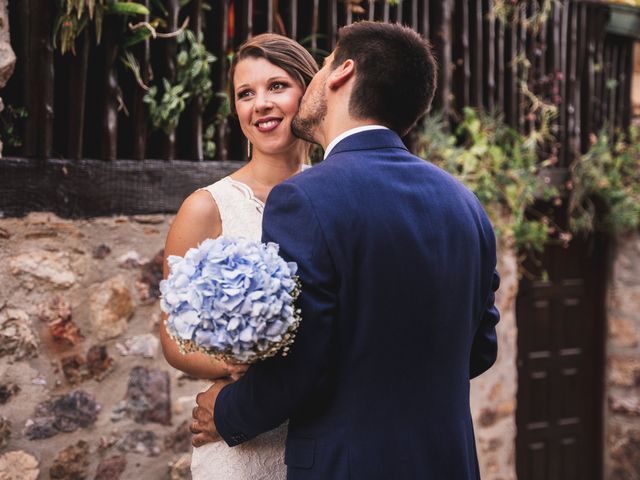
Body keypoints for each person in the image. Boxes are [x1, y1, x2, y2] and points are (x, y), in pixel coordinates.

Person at [191, 21, 501, 480]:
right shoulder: (464, 204)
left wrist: (224, 413)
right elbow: (480, 351)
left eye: (324, 64)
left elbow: (301, 365)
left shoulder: (305, 198)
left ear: (341, 73)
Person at [159, 33, 318, 480]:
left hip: (322, 432)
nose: (260, 104)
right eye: (246, 94)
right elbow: (173, 339)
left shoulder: (334, 198)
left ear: (308, 92)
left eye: (277, 86)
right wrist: (237, 361)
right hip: (242, 443)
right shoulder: (206, 207)